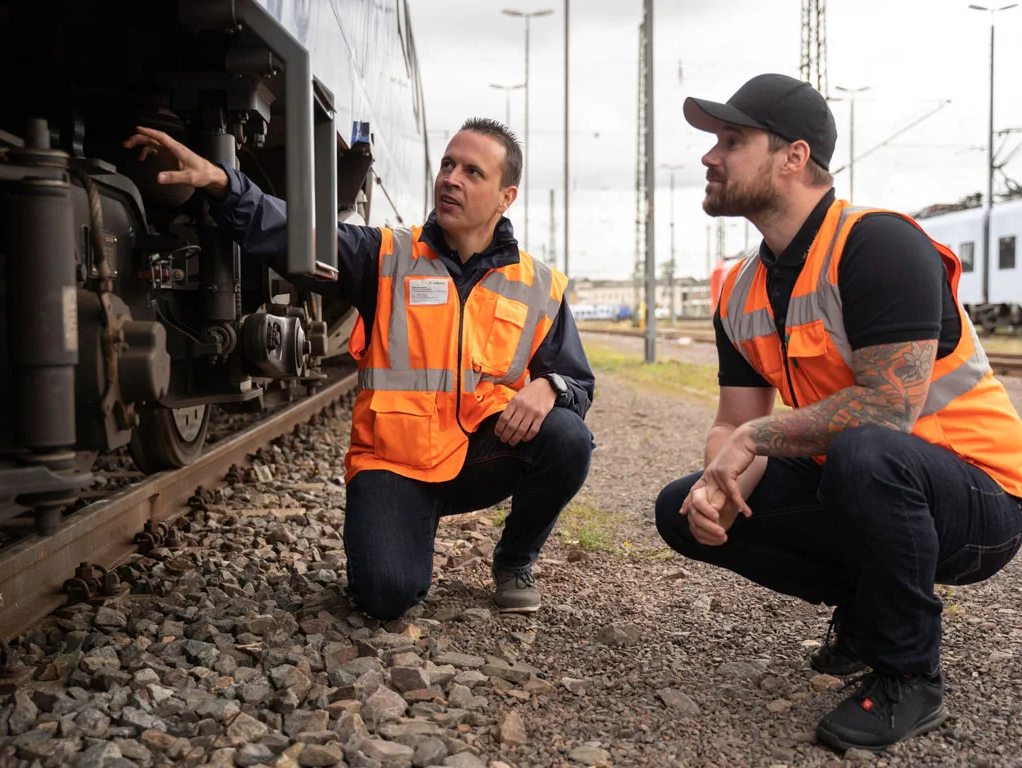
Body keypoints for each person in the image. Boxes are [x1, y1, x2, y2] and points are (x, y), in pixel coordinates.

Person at [654, 73, 1022, 753]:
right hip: (866, 486)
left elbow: (887, 407)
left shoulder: (878, 244)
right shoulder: (741, 290)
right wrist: (718, 484)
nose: (710, 157)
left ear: (794, 157)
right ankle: (864, 609)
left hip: (980, 499)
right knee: (678, 509)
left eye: (732, 141)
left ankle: (910, 673)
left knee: (866, 450)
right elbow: (735, 421)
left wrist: (755, 440)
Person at [125, 118, 595, 619]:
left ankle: (514, 559)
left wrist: (550, 385)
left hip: (478, 457)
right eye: (447, 164)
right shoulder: (387, 255)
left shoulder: (537, 284)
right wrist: (222, 184)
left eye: (472, 172)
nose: (450, 178)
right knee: (386, 598)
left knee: (567, 437)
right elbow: (299, 235)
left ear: (506, 197)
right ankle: (404, 526)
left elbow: (579, 383)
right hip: (395, 463)